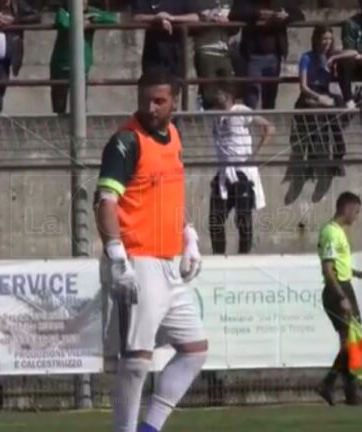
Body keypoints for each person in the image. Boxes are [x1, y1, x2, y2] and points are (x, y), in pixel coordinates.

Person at [95, 69, 207, 432]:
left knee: (195, 350)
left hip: (169, 263)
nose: (151, 107)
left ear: (176, 100)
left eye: (159, 100)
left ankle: (150, 428)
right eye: (145, 99)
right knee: (137, 359)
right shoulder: (126, 142)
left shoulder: (173, 136)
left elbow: (169, 196)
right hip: (137, 259)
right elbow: (106, 202)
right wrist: (116, 255)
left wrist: (188, 235)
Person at [315, 191, 362, 406]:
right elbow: (329, 269)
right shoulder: (331, 232)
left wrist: (358, 274)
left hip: (344, 286)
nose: (356, 217)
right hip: (337, 290)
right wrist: (341, 296)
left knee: (352, 341)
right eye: (356, 211)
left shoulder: (338, 232)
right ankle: (328, 384)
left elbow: (341, 266)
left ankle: (350, 393)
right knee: (350, 341)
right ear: (347, 208)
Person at [209, 81, 273, 255]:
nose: (216, 96)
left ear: (228, 96)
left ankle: (244, 256)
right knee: (215, 219)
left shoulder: (241, 111)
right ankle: (218, 255)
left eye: (220, 93)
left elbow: (268, 127)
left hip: (242, 173)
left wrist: (254, 156)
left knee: (243, 219)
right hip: (223, 174)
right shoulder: (216, 117)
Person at [294, 26, 354, 176]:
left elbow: (355, 53)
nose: (327, 42)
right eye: (324, 39)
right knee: (314, 117)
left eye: (329, 39)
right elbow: (303, 86)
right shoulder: (307, 57)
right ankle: (312, 159)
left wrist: (334, 57)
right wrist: (318, 98)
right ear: (316, 40)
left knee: (336, 112)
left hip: (325, 92)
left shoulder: (330, 56)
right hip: (311, 94)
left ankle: (338, 156)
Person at [231, 0, 304, 109]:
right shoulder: (247, 3)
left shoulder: (282, 2)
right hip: (253, 56)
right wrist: (258, 13)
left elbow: (300, 16)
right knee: (251, 96)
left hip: (274, 56)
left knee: (270, 97)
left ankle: (268, 124)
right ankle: (251, 124)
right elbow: (234, 14)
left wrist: (286, 16)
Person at [50, 1, 118, 114]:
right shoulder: (63, 11)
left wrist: (92, 20)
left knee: (79, 102)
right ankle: (59, 126)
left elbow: (112, 19)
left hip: (82, 64)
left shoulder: (91, 12)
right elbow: (64, 24)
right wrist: (81, 23)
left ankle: (80, 128)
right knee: (59, 102)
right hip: (61, 65)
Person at [132, 0, 199, 79]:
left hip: (177, 51)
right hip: (153, 51)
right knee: (152, 85)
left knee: (176, 84)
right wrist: (156, 18)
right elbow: (136, 17)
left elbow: (195, 17)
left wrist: (171, 18)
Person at [193, 0, 236, 110]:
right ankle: (209, 120)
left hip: (224, 51)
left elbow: (235, 28)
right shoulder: (197, 3)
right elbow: (192, 24)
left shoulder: (229, 3)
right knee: (209, 92)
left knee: (229, 89)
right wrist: (210, 20)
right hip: (206, 50)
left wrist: (229, 23)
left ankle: (226, 121)